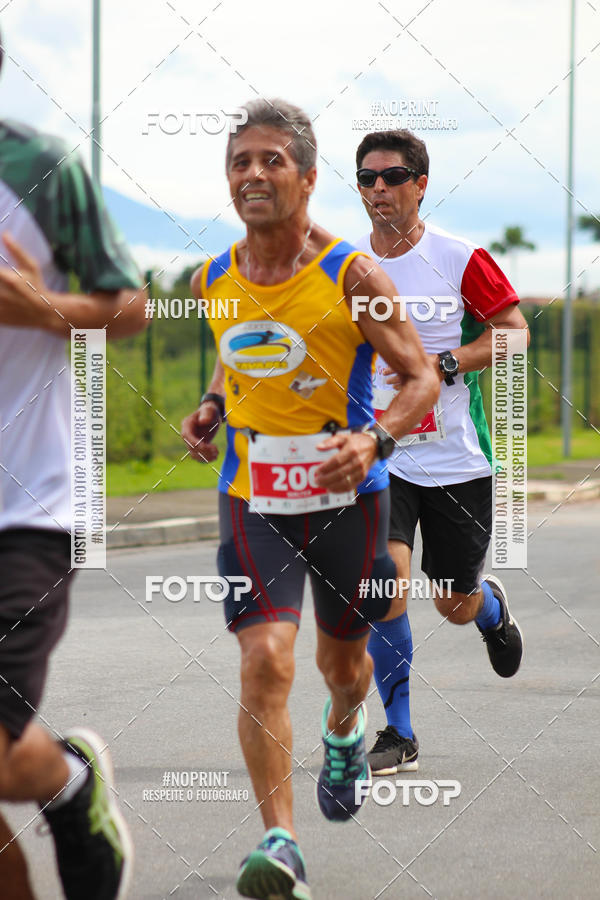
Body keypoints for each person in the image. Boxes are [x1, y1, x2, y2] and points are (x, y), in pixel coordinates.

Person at [181, 98, 439, 900]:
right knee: (264, 660)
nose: (253, 174)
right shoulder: (212, 278)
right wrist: (214, 405)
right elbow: (236, 353)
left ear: (308, 177)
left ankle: (344, 730)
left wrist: (377, 439)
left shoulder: (352, 275)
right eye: (240, 162)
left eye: (272, 160)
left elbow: (420, 377)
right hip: (251, 498)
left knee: (343, 668)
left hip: (347, 502)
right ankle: (281, 843)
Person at [0, 30, 147, 899]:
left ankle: (69, 785)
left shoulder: (42, 168)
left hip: (26, 506)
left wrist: (41, 307)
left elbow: (129, 307)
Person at [352, 129, 528, 776]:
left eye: (392, 176)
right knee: (385, 585)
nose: (378, 189)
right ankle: (399, 732)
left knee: (451, 602)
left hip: (456, 460)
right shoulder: (347, 267)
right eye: (367, 178)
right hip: (384, 456)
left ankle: (488, 609)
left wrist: (444, 363)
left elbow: (514, 334)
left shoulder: (459, 257)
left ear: (420, 184)